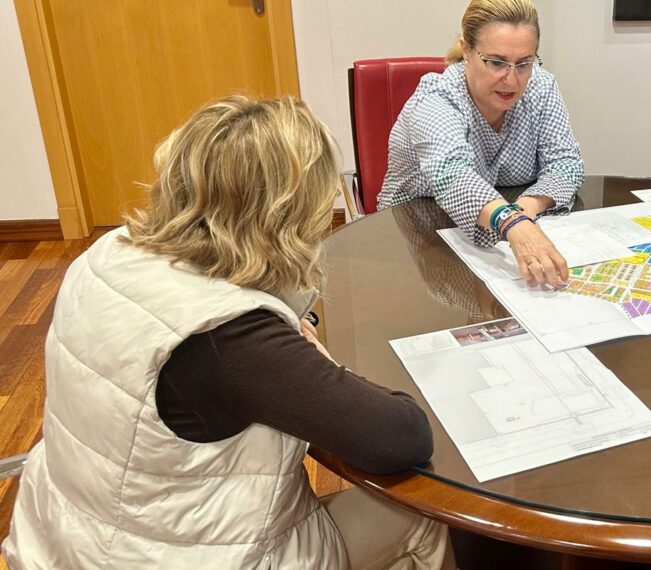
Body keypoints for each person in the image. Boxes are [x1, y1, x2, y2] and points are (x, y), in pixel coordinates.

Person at [2, 96, 454, 570]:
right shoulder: (229, 340)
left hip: (65, 540)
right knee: (422, 516)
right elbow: (400, 437)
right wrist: (314, 357)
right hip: (177, 559)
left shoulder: (105, 255)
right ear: (286, 216)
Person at [380, 0, 585, 287]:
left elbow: (566, 165)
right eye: (497, 62)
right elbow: (451, 174)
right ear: (466, 50)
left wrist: (525, 207)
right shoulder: (436, 97)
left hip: (505, 231)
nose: (511, 80)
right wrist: (512, 223)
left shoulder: (541, 87)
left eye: (524, 63)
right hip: (420, 238)